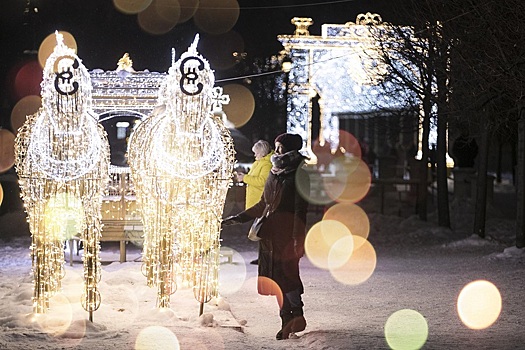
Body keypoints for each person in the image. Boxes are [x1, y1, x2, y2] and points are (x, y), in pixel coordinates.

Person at [222, 133, 309, 340]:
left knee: (288, 276)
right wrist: (237, 219)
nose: (276, 151)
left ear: (290, 150)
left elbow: (300, 210)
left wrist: (298, 239)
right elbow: (264, 204)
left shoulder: (299, 174)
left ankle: (296, 315)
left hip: (286, 235)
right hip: (269, 233)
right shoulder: (274, 171)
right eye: (276, 147)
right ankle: (286, 319)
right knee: (276, 279)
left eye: (279, 147)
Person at [236, 140, 274, 265]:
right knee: (260, 230)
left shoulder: (266, 164)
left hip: (261, 202)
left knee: (262, 230)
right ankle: (262, 256)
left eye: (256, 153)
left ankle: (266, 257)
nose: (254, 155)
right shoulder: (259, 163)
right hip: (256, 200)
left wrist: (245, 178)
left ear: (262, 153)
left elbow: (262, 181)